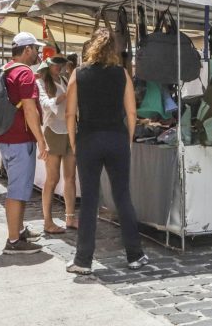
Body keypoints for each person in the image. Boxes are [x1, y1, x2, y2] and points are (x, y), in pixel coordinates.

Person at [65, 28, 147, 275]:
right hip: (116, 138)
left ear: (91, 47)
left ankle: (83, 260)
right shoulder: (122, 74)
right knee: (122, 196)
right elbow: (132, 113)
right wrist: (128, 139)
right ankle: (135, 254)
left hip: (88, 138)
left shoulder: (78, 74)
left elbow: (70, 113)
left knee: (89, 200)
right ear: (114, 50)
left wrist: (73, 141)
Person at [0, 32, 49, 255]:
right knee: (17, 190)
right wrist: (41, 140)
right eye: (35, 49)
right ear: (27, 49)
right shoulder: (25, 74)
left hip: (6, 137)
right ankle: (13, 241)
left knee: (19, 186)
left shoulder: (6, 70)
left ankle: (18, 230)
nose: (38, 53)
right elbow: (29, 109)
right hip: (21, 139)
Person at [36, 56, 77, 233]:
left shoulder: (65, 79)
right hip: (52, 131)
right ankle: (48, 221)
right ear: (48, 65)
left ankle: (70, 218)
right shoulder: (41, 83)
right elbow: (45, 104)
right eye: (55, 64)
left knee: (70, 177)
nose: (59, 67)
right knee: (52, 178)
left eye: (61, 64)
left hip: (70, 130)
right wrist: (64, 96)